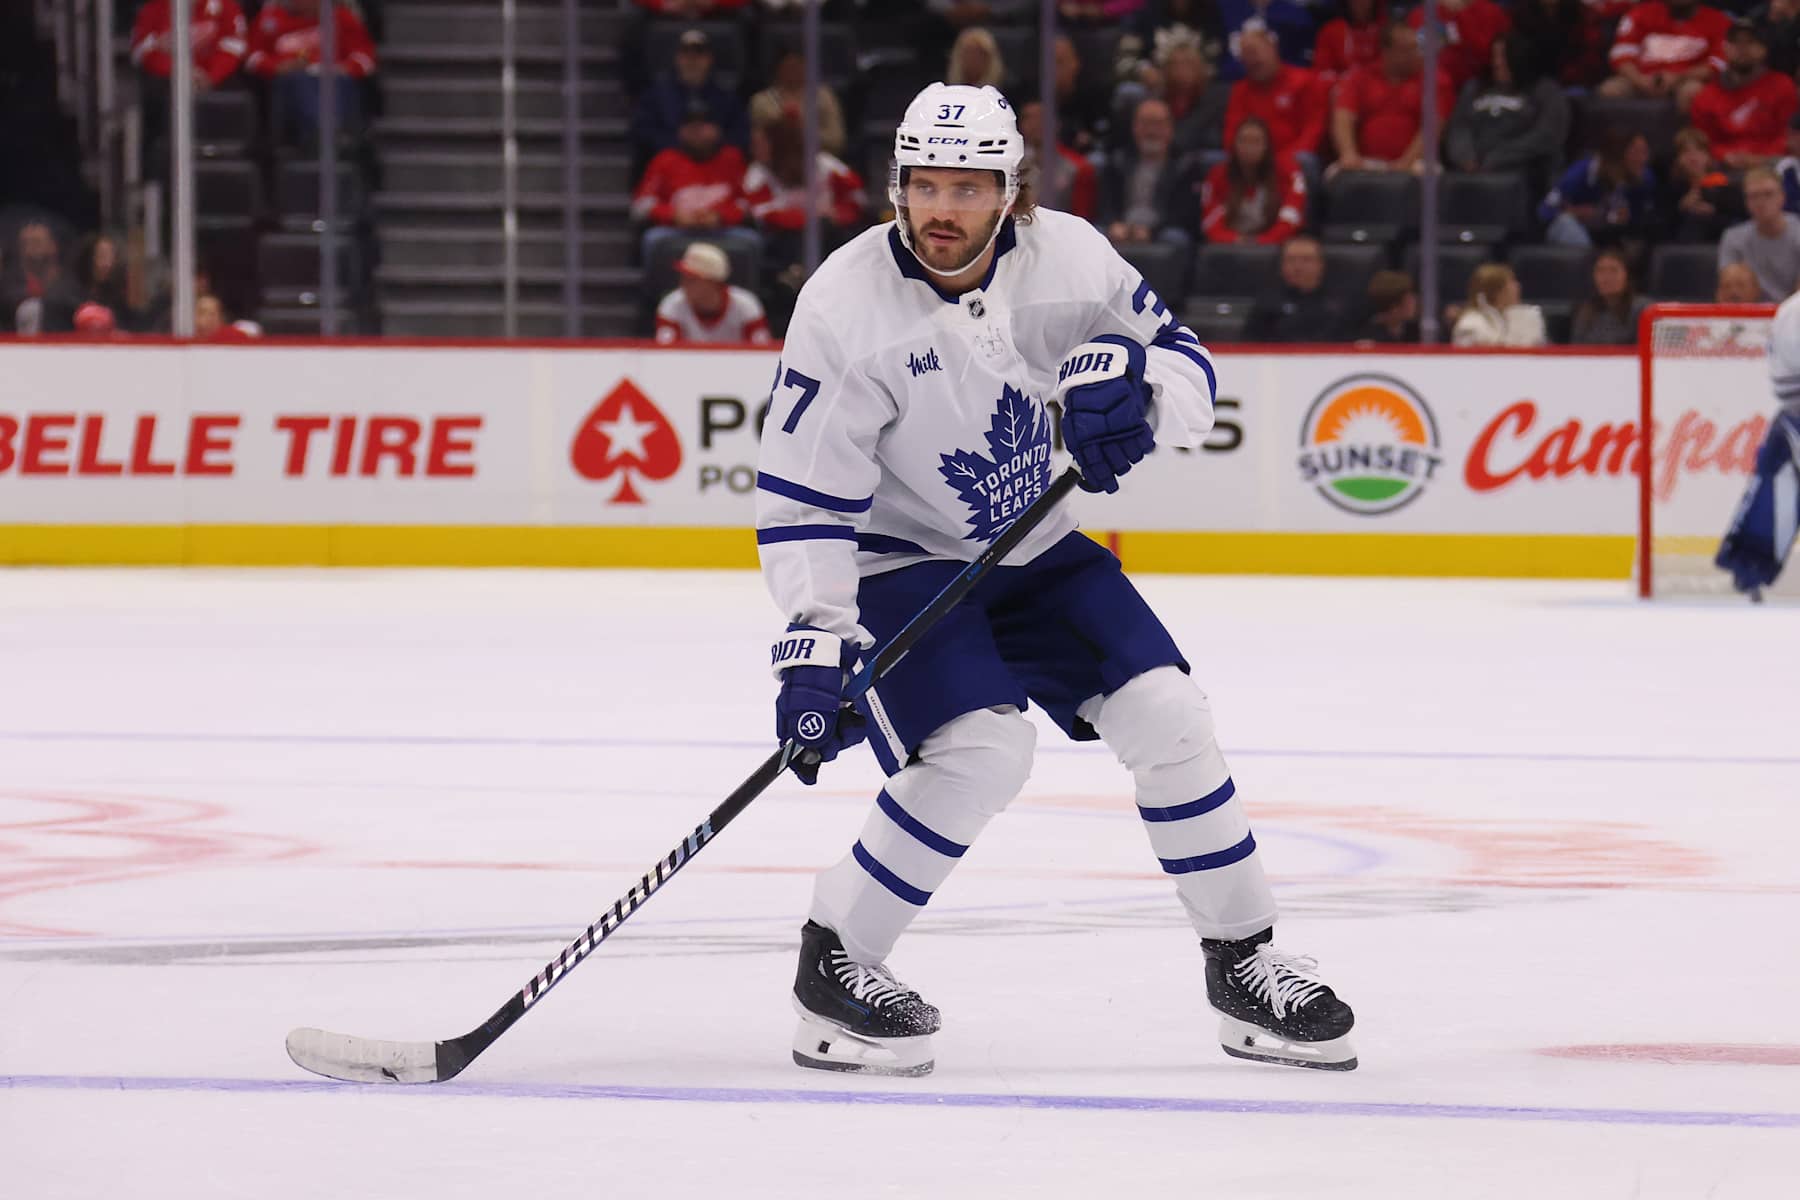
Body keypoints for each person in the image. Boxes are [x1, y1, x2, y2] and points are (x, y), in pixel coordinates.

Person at [757, 81, 1356, 1078]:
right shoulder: (842, 306)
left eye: (968, 186)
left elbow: (1184, 361)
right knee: (982, 750)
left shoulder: (1072, 257)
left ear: (1011, 193)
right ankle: (839, 960)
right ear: (895, 186)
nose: (941, 210)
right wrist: (817, 647)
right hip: (900, 558)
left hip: (1033, 543)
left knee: (1170, 716)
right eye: (922, 185)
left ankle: (1244, 961)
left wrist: (1141, 397)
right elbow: (807, 493)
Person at [1444, 32, 1569, 195]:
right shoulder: (1475, 88)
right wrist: (1465, 157)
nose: (1497, 63)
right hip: (1471, 168)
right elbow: (1459, 127)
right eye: (1494, 56)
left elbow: (1548, 135)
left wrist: (1498, 158)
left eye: (1504, 57)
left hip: (1521, 168)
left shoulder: (1544, 90)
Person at [632, 100, 757, 263]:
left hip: (722, 229)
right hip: (677, 230)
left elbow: (749, 203)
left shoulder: (732, 158)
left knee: (751, 240)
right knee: (653, 239)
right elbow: (642, 205)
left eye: (703, 125)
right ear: (680, 131)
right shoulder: (665, 160)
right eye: (691, 126)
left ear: (717, 129)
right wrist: (674, 215)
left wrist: (720, 216)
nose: (697, 131)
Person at [245, 0, 377, 147]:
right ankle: (324, 132)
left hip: (333, 78)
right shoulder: (271, 18)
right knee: (300, 81)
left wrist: (344, 68)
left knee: (339, 82)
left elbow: (365, 59)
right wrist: (276, 68)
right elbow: (252, 57)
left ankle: (333, 132)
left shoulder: (342, 18)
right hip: (290, 80)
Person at [1331, 21, 1456, 174]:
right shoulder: (1360, 77)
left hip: (1416, 163)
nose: (1416, 54)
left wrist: (1405, 162)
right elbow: (1343, 117)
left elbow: (1433, 127)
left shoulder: (1435, 79)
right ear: (1387, 52)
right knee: (1336, 176)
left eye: (1416, 47)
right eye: (1406, 50)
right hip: (1366, 162)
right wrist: (1349, 154)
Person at [631, 29, 750, 168]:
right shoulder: (655, 96)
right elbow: (642, 131)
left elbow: (742, 133)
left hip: (716, 167)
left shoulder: (727, 97)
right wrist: (679, 140)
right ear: (677, 58)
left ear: (709, 59)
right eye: (686, 54)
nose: (692, 60)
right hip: (670, 168)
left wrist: (716, 138)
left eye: (699, 54)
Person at [1689, 23, 1798, 167]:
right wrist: (1725, 155)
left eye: (1750, 42)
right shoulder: (1706, 96)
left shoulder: (1782, 85)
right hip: (1724, 166)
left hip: (1773, 163)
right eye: (1735, 42)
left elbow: (1789, 134)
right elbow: (1704, 141)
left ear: (1763, 49)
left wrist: (1759, 158)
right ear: (1725, 48)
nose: (1742, 48)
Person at [1601, 0, 1731, 112]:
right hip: (1642, 78)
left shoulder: (1718, 21)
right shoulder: (1639, 14)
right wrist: (1640, 80)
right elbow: (1621, 55)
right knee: (1611, 90)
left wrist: (1678, 78)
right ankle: (1620, 140)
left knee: (1693, 91)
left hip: (1687, 80)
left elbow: (1718, 63)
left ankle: (1688, 140)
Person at [1225, 24, 1330, 162]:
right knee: (1211, 161)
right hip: (1250, 162)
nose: (1252, 60)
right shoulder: (1240, 90)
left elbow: (1313, 131)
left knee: (1305, 160)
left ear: (1272, 48)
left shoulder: (1304, 81)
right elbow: (1231, 135)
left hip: (1294, 159)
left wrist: (1281, 161)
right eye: (1246, 54)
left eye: (1255, 51)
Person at [1197, 115, 1308, 244]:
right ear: (1234, 144)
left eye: (1256, 141)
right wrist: (1235, 240)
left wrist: (1263, 241)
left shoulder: (1288, 172)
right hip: (1230, 246)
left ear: (1267, 145)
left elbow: (1291, 217)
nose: (1249, 147)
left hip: (1274, 246)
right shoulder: (1217, 175)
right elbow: (1210, 222)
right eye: (1243, 141)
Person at [1540, 131, 1658, 247]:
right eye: (1636, 152)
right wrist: (1576, 212)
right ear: (1615, 156)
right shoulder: (1580, 173)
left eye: (1645, 152)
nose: (1643, 159)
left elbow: (1643, 215)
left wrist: (1628, 216)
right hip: (1579, 234)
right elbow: (1545, 211)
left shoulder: (1644, 178)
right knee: (1565, 223)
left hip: (1614, 237)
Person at [1098, 98, 1189, 244]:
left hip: (1162, 232)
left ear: (1170, 128)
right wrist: (1113, 224)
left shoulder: (1185, 166)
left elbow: (1183, 214)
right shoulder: (1116, 162)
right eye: (1145, 123)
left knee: (1175, 236)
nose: (1151, 131)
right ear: (1134, 127)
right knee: (1096, 233)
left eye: (1158, 124)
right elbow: (1106, 205)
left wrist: (1152, 232)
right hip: (1122, 228)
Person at [652, 242, 771, 344]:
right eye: (683, 277)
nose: (683, 284)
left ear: (713, 282)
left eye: (692, 280)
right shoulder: (672, 304)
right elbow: (666, 353)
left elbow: (761, 351)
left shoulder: (746, 305)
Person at [130, 1, 249, 94]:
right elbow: (141, 51)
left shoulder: (226, 6)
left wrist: (211, 75)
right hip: (168, 81)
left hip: (213, 80)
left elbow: (234, 48)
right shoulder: (154, 8)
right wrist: (180, 71)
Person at [750, 45, 847, 158]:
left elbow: (837, 140)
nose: (793, 70)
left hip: (818, 160)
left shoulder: (824, 97)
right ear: (778, 68)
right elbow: (759, 145)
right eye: (789, 66)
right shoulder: (762, 101)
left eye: (798, 65)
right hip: (775, 164)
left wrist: (803, 134)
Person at [1244, 235, 1348, 340]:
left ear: (1321, 264)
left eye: (1306, 260)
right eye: (1291, 260)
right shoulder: (1266, 303)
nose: (1297, 267)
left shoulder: (1342, 303)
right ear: (1281, 265)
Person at [1719, 164, 1800, 299]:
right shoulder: (1733, 238)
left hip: (1793, 314)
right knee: (1733, 278)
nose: (1761, 202)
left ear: (1782, 197)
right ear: (1746, 202)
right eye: (1754, 196)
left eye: (1768, 194)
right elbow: (1726, 292)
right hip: (1750, 314)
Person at [1404, 0, 1513, 93]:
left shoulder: (1489, 11)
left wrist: (1460, 13)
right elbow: (1416, 58)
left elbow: (1485, 58)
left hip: (1478, 85)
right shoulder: (1421, 14)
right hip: (1432, 88)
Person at [1017, 98, 1099, 219]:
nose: (1035, 123)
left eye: (1041, 117)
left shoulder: (1079, 168)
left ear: (1057, 123)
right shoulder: (1013, 167)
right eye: (1029, 118)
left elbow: (1083, 218)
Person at [1661, 127, 1745, 242]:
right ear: (1677, 158)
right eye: (1686, 151)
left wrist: (1713, 212)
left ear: (1708, 157)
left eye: (1699, 150)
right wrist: (1681, 207)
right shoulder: (1671, 189)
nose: (1693, 156)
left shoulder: (1724, 186)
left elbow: (1740, 221)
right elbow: (1661, 226)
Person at [1452, 263, 1548, 346]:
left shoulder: (1527, 318)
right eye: (1511, 282)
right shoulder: (1470, 325)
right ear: (1495, 291)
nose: (1518, 286)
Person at [1569, 248, 1647, 344]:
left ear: (1628, 275)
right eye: (1600, 270)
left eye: (1613, 270)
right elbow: (1576, 350)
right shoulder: (1585, 310)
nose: (1606, 277)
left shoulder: (1642, 309)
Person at [1312, 0, 1387, 86]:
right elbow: (1321, 73)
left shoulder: (1386, 31)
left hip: (1378, 91)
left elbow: (1393, 72)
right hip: (1341, 89)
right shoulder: (1331, 31)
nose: (1360, 2)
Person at [1355, 268, 1419, 342]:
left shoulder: (1416, 332)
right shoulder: (1369, 339)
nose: (1415, 303)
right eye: (1409, 300)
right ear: (1394, 307)